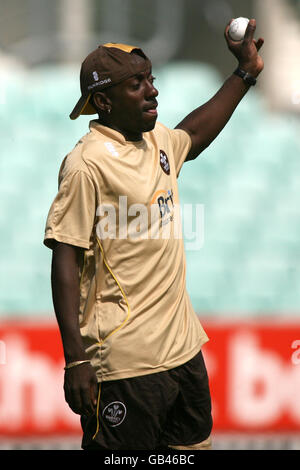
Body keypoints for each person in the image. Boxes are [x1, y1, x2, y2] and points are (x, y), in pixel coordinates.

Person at [44, 19, 264, 450]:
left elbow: (194, 133)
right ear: (103, 101)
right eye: (136, 85)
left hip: (184, 352)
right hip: (127, 363)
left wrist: (245, 73)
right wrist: (76, 359)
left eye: (151, 80)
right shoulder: (86, 164)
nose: (152, 91)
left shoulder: (153, 141)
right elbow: (65, 260)